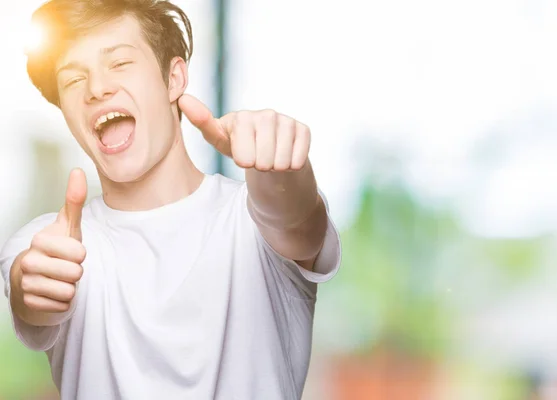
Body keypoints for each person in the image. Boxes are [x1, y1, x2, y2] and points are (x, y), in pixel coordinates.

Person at [0, 1, 341, 399]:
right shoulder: (50, 245)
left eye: (120, 63)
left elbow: (296, 222)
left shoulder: (253, 226)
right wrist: (33, 286)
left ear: (174, 78)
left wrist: (283, 171)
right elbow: (34, 297)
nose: (96, 89)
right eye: (74, 80)